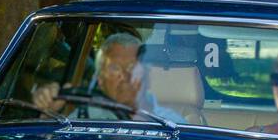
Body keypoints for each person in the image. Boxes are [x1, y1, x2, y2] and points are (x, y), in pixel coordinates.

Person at [31, 32, 180, 122]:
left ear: (146, 75)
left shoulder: (173, 124)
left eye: (132, 67)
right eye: (115, 68)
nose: (125, 75)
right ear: (100, 80)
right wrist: (48, 115)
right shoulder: (86, 118)